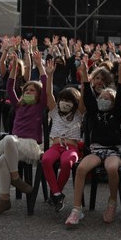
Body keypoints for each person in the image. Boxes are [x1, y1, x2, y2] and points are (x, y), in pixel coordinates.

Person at [65, 58, 121, 226]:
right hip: (96, 150)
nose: (103, 99)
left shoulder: (117, 113)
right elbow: (88, 96)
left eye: (108, 98)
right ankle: (77, 209)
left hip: (113, 150)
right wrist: (85, 73)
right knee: (81, 169)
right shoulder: (94, 112)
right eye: (102, 97)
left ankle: (112, 202)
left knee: (112, 168)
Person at [0, 51, 47, 216]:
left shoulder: (39, 105)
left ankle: (14, 180)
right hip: (15, 145)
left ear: (39, 95)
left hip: (30, 145)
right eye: (26, 91)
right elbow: (9, 87)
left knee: (7, 141)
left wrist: (40, 65)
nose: (28, 93)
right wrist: (13, 68)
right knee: (1, 159)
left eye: (32, 91)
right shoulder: (19, 105)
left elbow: (45, 84)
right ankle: (5, 198)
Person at [41, 59, 85, 212]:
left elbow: (84, 98)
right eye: (63, 100)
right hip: (55, 146)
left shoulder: (78, 114)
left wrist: (84, 76)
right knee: (46, 159)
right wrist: (50, 75)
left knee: (68, 162)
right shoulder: (54, 113)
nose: (65, 103)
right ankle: (58, 193)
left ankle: (55, 193)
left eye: (69, 101)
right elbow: (48, 93)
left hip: (71, 147)